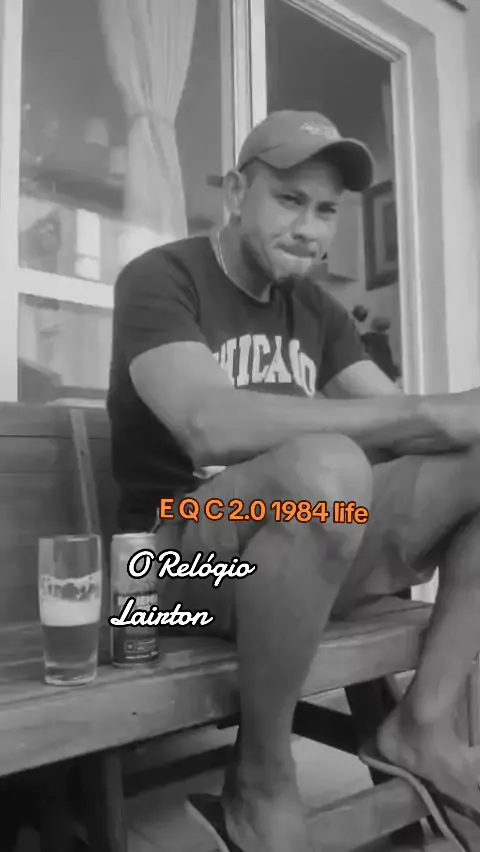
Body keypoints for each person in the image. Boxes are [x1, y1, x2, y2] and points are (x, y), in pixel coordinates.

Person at [107, 110, 480, 852]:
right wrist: (425, 411)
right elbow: (207, 423)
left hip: (290, 553)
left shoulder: (317, 311)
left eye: (326, 210)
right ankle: (261, 774)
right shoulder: (162, 278)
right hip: (165, 573)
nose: (309, 228)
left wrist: (457, 413)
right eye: (289, 200)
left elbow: (406, 427)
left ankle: (424, 723)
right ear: (235, 192)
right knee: (328, 467)